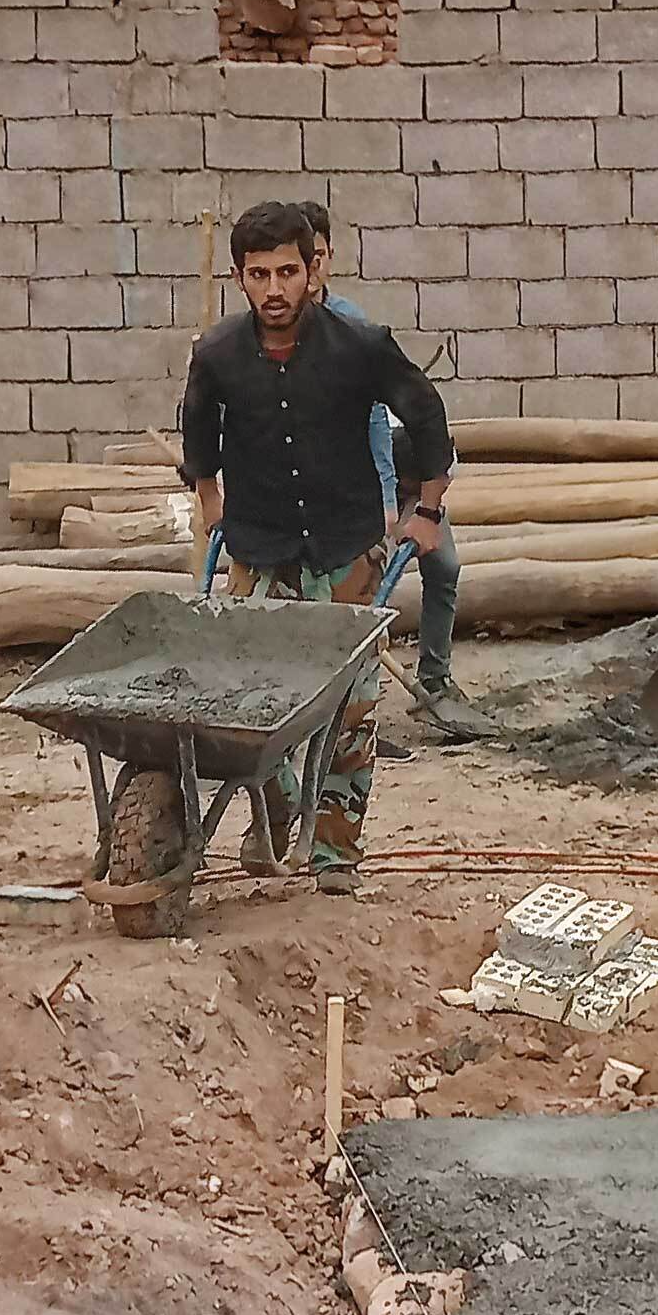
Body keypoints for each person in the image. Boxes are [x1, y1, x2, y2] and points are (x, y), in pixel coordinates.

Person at [181, 200, 454, 894]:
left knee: (351, 714)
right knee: (249, 708)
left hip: (343, 553)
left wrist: (425, 510)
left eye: (286, 271)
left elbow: (424, 412)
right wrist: (209, 496)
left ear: (311, 270)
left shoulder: (357, 346)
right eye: (257, 274)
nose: (273, 289)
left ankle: (335, 856)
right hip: (259, 551)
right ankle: (273, 816)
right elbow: (196, 425)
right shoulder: (217, 354)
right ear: (239, 279)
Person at [297, 201, 467, 725]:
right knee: (341, 602)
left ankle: (434, 679)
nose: (313, 270)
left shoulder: (351, 327)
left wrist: (391, 499)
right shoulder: (268, 336)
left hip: (384, 479)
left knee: (444, 566)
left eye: (320, 256)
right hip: (325, 499)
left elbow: (383, 419)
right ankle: (343, 713)